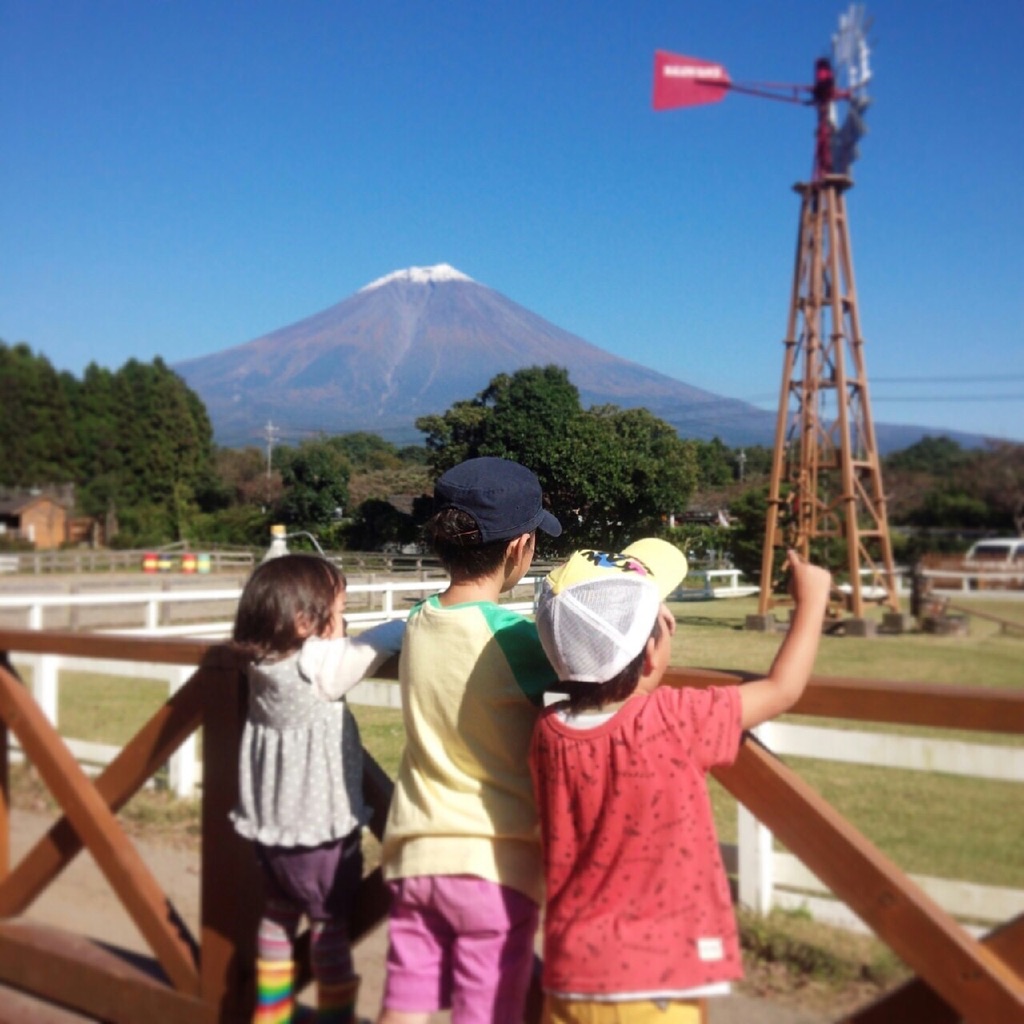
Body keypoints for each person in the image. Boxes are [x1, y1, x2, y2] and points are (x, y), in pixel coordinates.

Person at [530, 541, 831, 1023]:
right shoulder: (674, 719)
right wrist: (813, 599)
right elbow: (782, 690)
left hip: (572, 973)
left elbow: (610, 689)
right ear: (651, 650)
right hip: (655, 982)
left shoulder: (550, 732)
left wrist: (642, 648)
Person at [376, 456, 563, 1024]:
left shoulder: (416, 622)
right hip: (494, 863)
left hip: (414, 853)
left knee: (404, 1006)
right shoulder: (518, 639)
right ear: (519, 548)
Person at [231, 553, 405, 1024]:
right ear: (306, 620)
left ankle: (271, 1013)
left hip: (271, 831)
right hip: (320, 835)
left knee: (278, 915)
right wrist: (413, 623)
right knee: (330, 925)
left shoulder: (262, 666)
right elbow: (383, 641)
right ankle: (335, 1015)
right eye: (340, 609)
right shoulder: (317, 666)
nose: (345, 621)